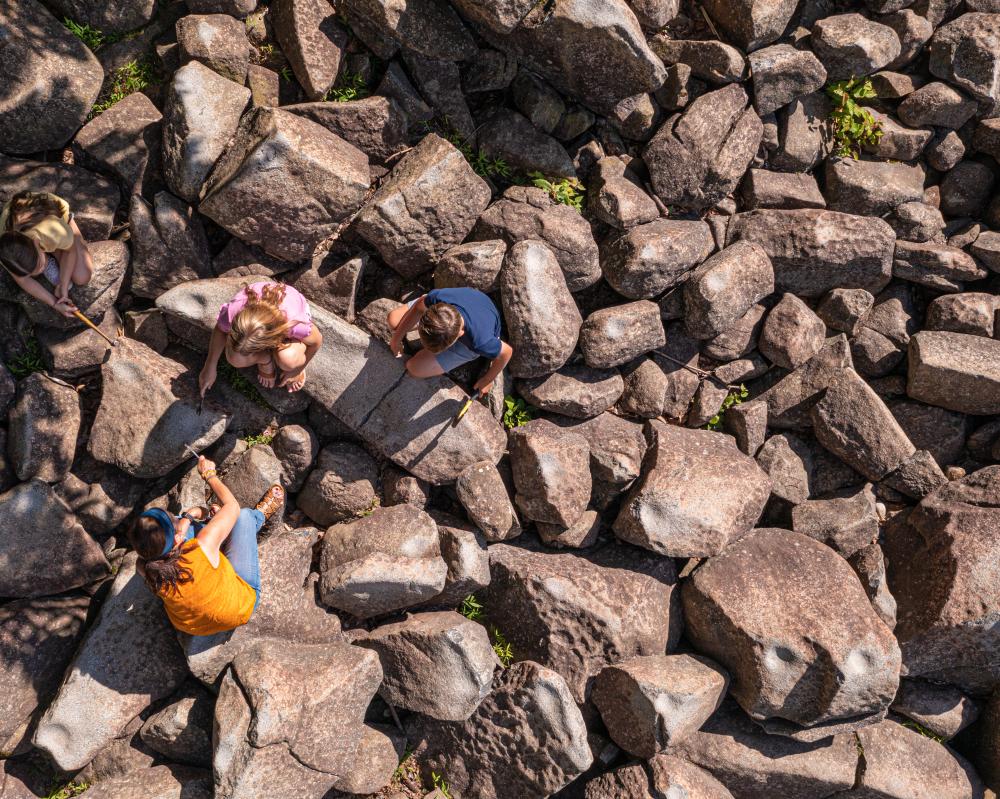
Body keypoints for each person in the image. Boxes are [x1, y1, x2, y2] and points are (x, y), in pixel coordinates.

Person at [127, 455, 284, 636]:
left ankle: (216, 526)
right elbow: (232, 506)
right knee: (243, 517)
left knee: (187, 521)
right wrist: (209, 474)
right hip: (240, 606)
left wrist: (187, 518)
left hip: (194, 627)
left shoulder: (146, 568)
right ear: (178, 540)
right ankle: (258, 519)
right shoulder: (201, 546)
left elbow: (178, 537)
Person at [198, 281, 323, 396]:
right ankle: (265, 360)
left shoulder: (292, 325)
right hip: (262, 311)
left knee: (288, 362)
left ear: (270, 342)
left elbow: (317, 341)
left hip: (287, 306)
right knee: (235, 358)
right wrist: (210, 365)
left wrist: (298, 369)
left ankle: (273, 359)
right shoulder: (233, 314)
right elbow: (220, 329)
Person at [387, 287, 513, 395]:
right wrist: (396, 340)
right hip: (466, 302)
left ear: (460, 335)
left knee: (414, 368)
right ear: (431, 311)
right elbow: (419, 306)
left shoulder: (480, 342)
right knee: (393, 321)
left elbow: (507, 352)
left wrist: (487, 380)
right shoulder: (437, 299)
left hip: (482, 321)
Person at [0, 191, 94, 319]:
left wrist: (63, 285)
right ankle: (47, 257)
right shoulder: (7, 251)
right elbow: (22, 279)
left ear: (37, 243)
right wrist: (55, 304)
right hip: (33, 233)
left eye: (40, 265)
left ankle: (69, 222)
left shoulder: (52, 230)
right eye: (33, 273)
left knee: (82, 276)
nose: (40, 272)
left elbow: (70, 251)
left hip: (55, 216)